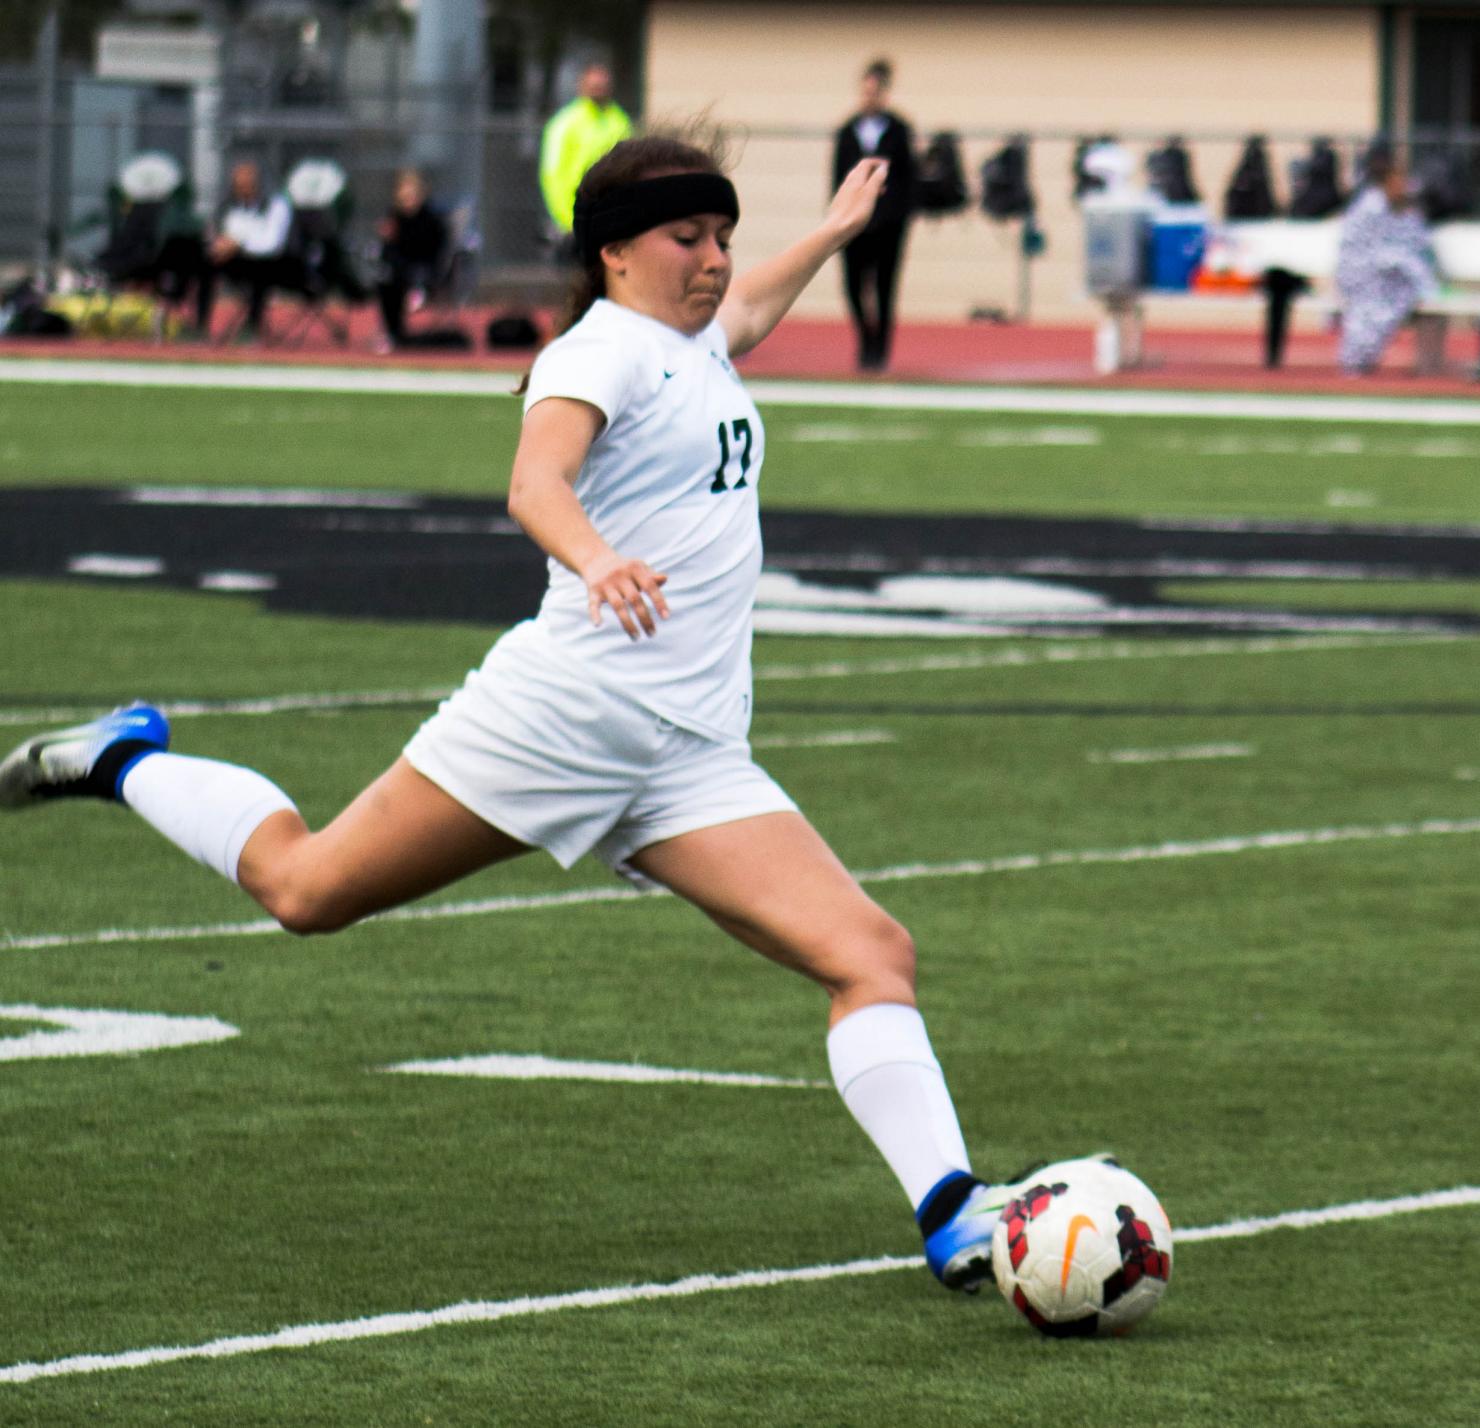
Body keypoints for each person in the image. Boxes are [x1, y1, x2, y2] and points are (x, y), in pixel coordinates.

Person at [0, 130, 1020, 1296]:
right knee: (305, 890)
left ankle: (952, 1217)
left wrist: (831, 236)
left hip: (686, 755)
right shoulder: (599, 352)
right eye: (689, 238)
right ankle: (123, 759)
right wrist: (596, 559)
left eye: (723, 238)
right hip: (565, 716)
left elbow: (752, 313)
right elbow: (535, 482)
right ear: (615, 251)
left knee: (872, 953)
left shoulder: (695, 341)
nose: (715, 261)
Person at [831, 59, 915, 371]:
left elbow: (909, 177)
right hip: (855, 224)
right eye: (865, 91)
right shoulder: (846, 131)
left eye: (875, 91)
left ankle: (879, 352)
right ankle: (864, 341)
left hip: (888, 225)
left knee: (884, 288)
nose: (869, 97)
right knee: (854, 286)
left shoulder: (899, 130)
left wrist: (898, 215)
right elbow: (837, 176)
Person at [1334, 154, 1436, 376]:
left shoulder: (1404, 210)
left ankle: (1362, 359)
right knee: (1369, 311)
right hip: (1363, 275)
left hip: (1391, 279)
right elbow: (1366, 249)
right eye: (1398, 180)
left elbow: (1416, 243)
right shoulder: (1369, 208)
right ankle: (1355, 361)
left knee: (1395, 301)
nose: (1404, 186)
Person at [192, 161, 294, 341]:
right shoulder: (227, 206)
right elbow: (218, 234)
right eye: (239, 186)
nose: (243, 190)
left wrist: (238, 243)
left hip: (271, 263)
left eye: (248, 185)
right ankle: (199, 325)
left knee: (262, 271)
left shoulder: (276, 205)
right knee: (205, 262)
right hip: (237, 261)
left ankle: (252, 326)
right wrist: (217, 245)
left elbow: (272, 243)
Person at [538, 63, 633, 255]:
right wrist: (567, 220)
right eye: (593, 85)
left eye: (602, 85)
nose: (598, 89)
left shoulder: (620, 121)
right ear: (581, 86)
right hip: (576, 219)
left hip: (612, 219)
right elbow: (552, 174)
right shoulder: (565, 123)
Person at [372, 168, 450, 352]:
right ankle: (393, 333)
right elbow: (389, 252)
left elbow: (435, 252)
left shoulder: (430, 219)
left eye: (412, 193)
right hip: (400, 272)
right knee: (385, 281)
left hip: (425, 272)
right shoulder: (395, 218)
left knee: (413, 274)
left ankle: (418, 293)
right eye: (404, 193)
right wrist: (387, 239)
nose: (408, 198)